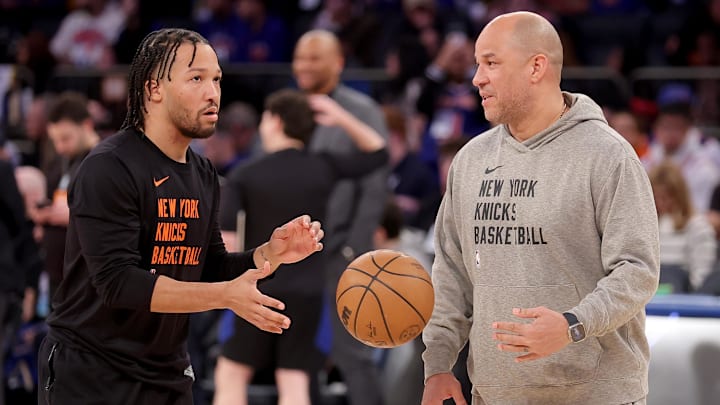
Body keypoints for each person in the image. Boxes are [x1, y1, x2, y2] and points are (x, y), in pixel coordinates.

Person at [37, 28, 324, 405]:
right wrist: (225, 297)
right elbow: (118, 283)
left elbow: (210, 265)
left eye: (217, 79)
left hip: (166, 374)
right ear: (154, 89)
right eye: (197, 78)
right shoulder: (109, 167)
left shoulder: (202, 172)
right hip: (94, 373)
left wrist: (268, 254)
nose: (213, 92)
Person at [421, 11, 660, 405]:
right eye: (478, 63)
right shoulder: (470, 160)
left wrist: (572, 325)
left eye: (491, 63)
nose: (477, 77)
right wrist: (439, 366)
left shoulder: (607, 155)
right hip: (496, 395)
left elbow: (637, 271)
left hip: (596, 396)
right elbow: (451, 272)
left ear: (536, 67)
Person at [213, 88, 387, 405]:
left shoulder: (246, 174)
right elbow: (379, 153)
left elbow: (228, 242)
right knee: (294, 382)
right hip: (308, 293)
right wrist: (341, 117)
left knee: (232, 375)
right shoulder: (322, 165)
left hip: (258, 289)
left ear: (275, 121)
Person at [292, 29, 390, 405]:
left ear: (338, 63)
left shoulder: (360, 112)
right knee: (300, 356)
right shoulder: (288, 109)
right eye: (300, 57)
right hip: (296, 256)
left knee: (352, 354)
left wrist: (354, 247)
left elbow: (375, 185)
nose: (304, 65)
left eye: (314, 58)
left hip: (341, 251)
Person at [35, 91, 100, 303]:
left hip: (87, 279)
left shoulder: (105, 162)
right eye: (55, 141)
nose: (60, 147)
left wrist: (71, 214)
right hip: (57, 274)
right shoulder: (59, 163)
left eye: (65, 138)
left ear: (87, 126)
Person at [649, 160, 716, 292]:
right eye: (656, 197)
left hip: (683, 297)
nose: (661, 203)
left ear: (679, 195)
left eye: (666, 197)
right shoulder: (647, 226)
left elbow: (701, 278)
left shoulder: (698, 226)